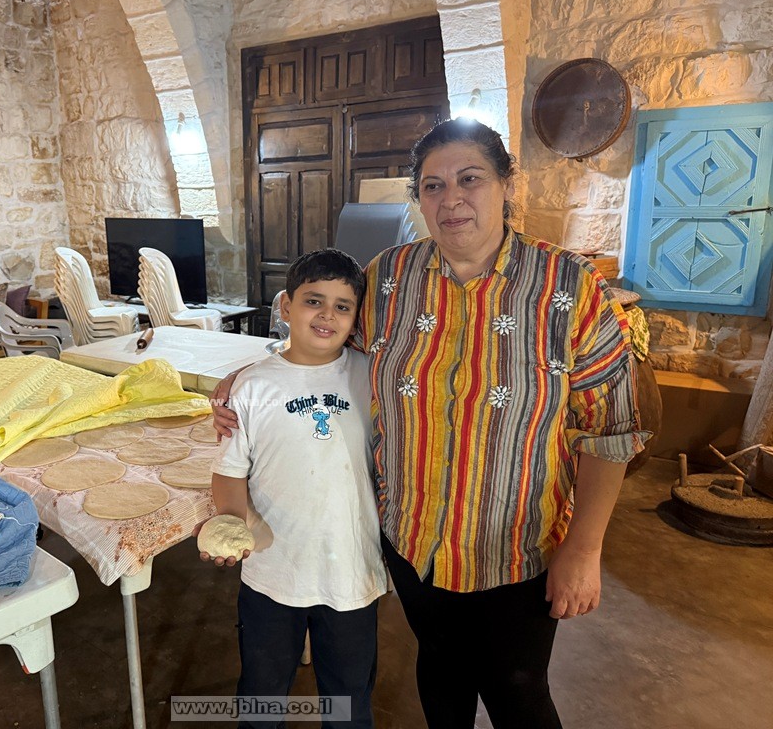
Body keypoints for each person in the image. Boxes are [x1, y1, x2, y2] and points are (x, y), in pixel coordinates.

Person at [214, 119, 651, 729]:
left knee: (517, 692)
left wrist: (585, 548)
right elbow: (322, 345)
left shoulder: (569, 288)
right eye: (432, 186)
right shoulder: (389, 279)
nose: (451, 200)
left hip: (515, 546)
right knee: (441, 672)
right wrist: (250, 373)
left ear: (506, 185)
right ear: (418, 198)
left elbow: (611, 430)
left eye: (470, 179)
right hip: (414, 539)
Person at [200, 248, 387, 728]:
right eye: (313, 301)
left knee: (348, 702)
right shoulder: (252, 388)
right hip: (272, 572)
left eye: (343, 306)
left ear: (356, 318)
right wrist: (230, 524)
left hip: (352, 572)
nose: (327, 315)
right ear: (286, 306)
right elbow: (229, 472)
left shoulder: (372, 377)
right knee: (262, 697)